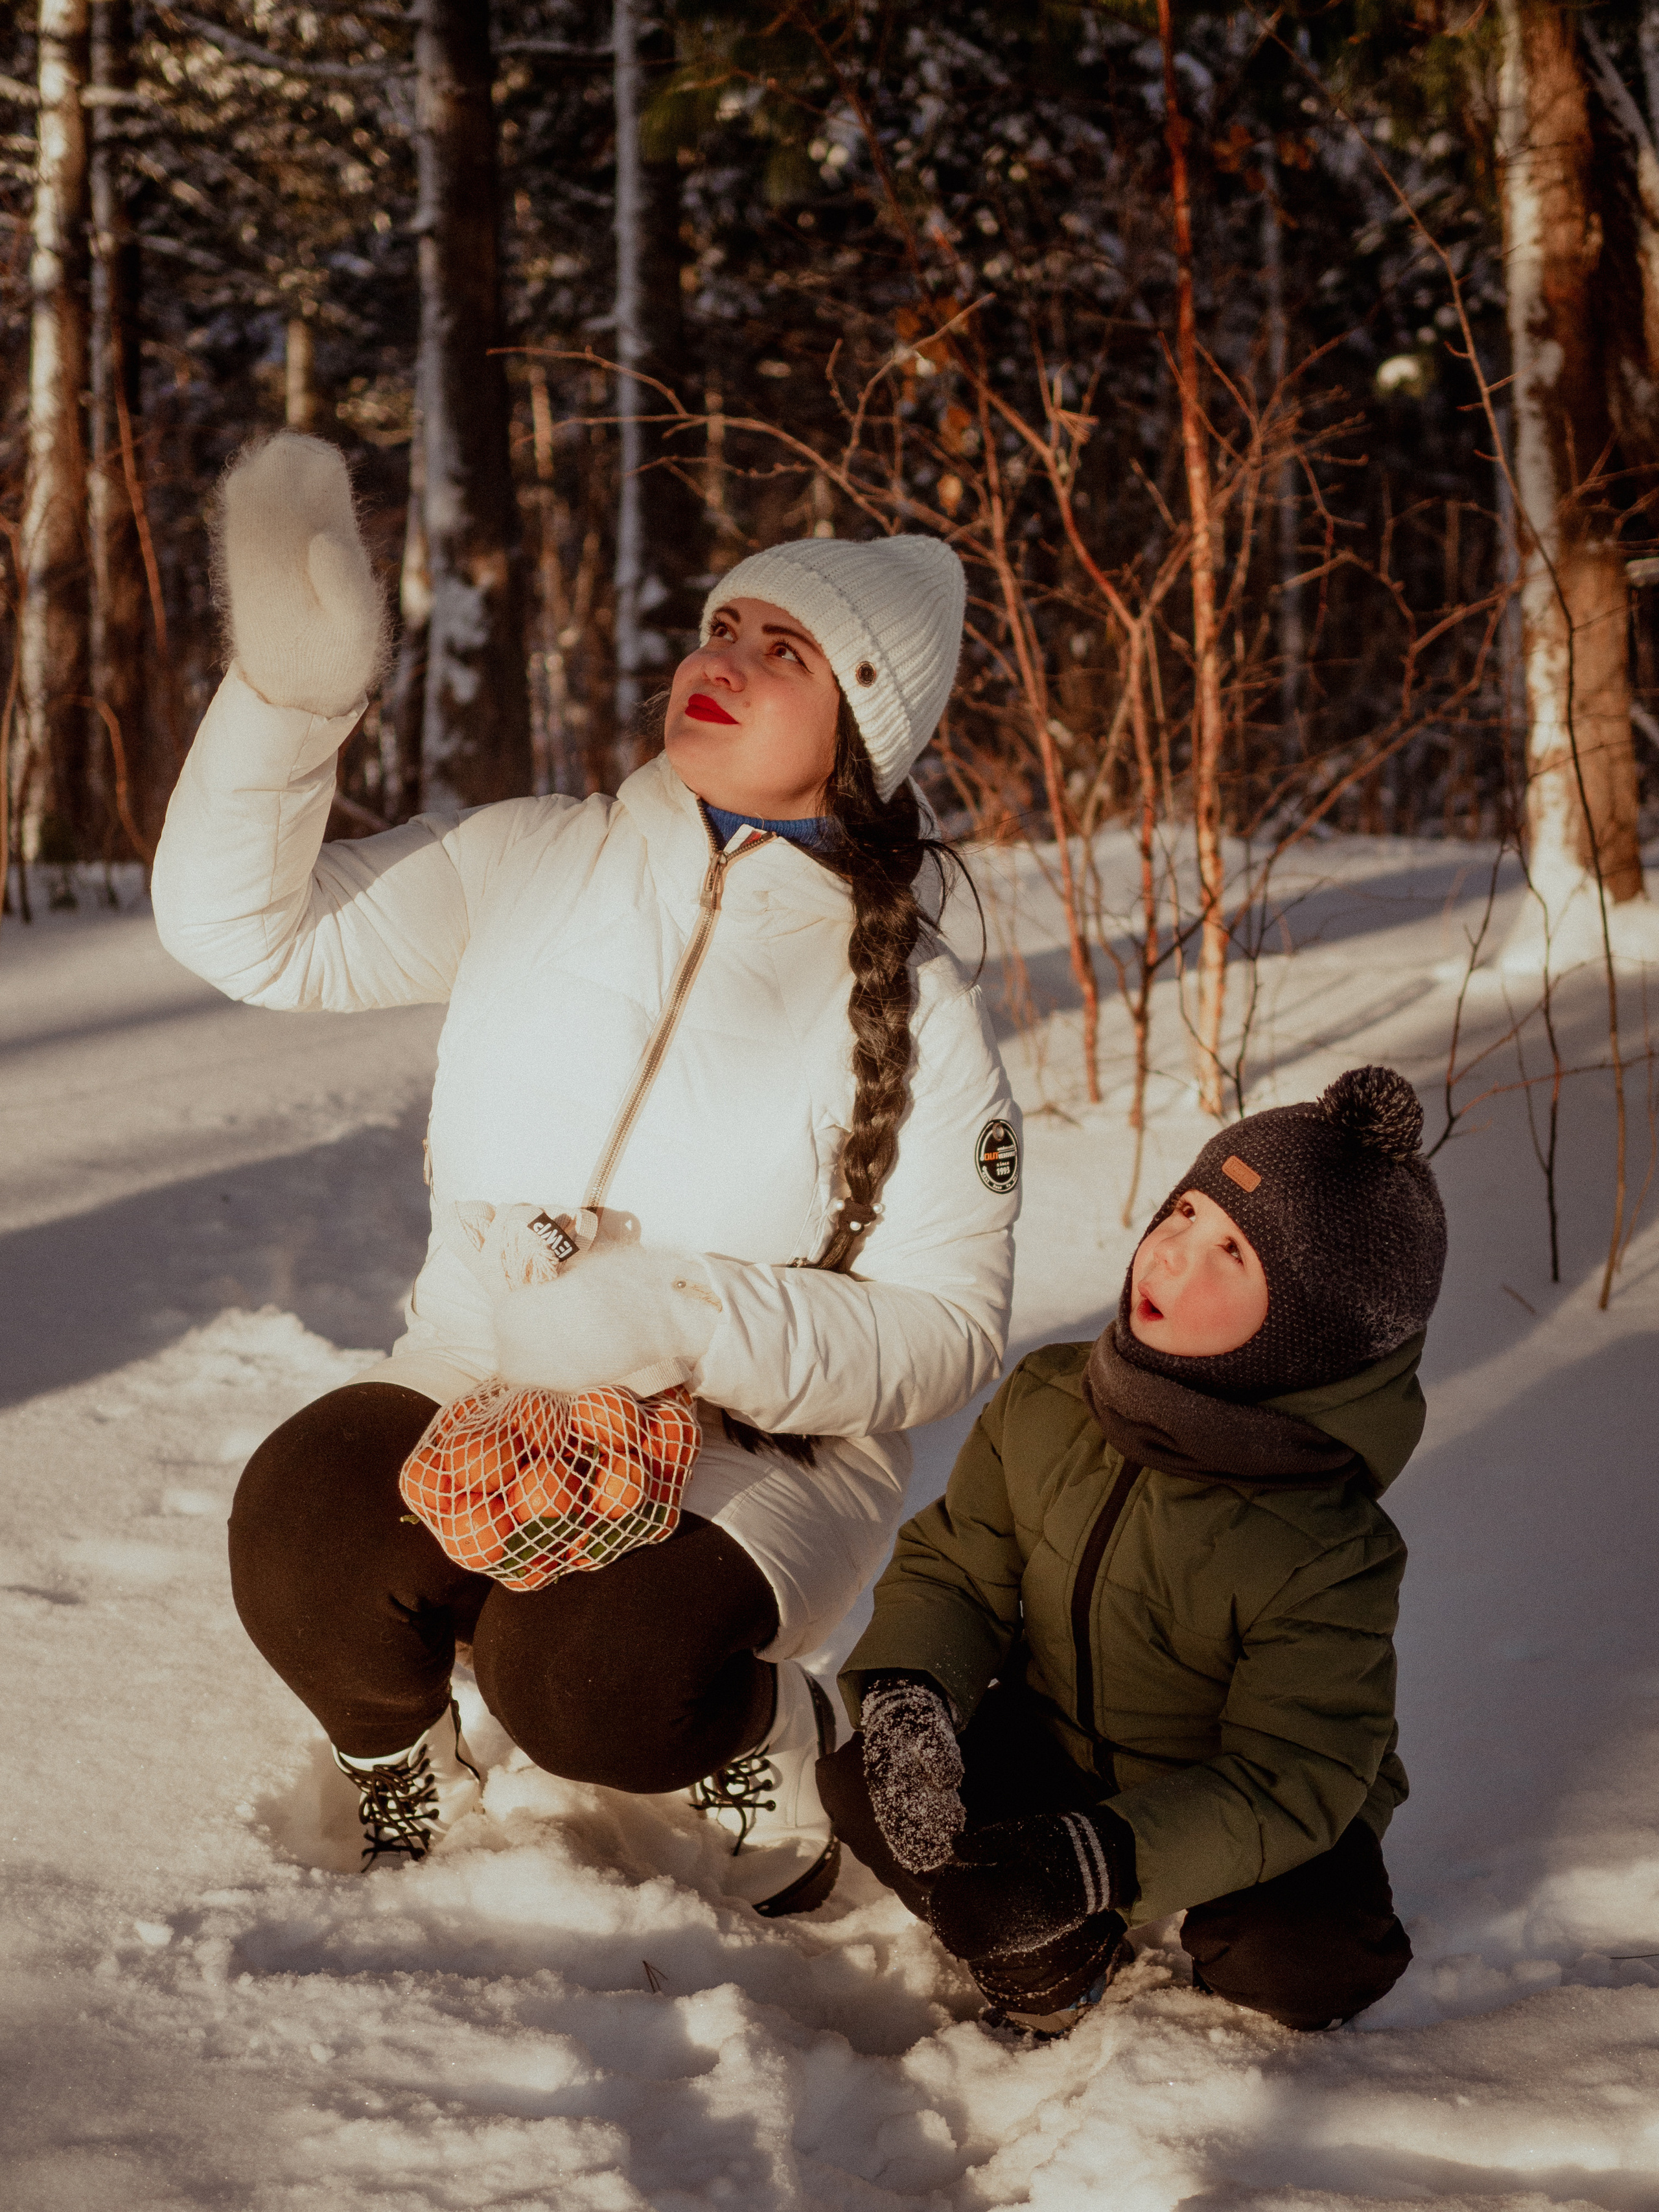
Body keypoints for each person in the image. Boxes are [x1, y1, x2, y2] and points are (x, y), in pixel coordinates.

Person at [150, 433, 1020, 1915]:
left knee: (593, 1679)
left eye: (784, 650)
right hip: (478, 1376)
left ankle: (777, 1740)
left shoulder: (920, 1002)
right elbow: (252, 937)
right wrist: (290, 705)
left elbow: (947, 1332)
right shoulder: (534, 857)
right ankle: (401, 1751)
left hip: (753, 1449)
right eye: (722, 627)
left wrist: (675, 1317)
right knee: (299, 1518)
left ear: (865, 727)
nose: (724, 659)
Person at [821, 1065, 1446, 2032]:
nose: (1172, 1256)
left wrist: (1102, 1858)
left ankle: (1227, 1923)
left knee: (1299, 1959)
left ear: (1305, 1334)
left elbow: (1292, 1774)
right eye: (1185, 1211)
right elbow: (958, 1569)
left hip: (1242, 1792)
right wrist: (914, 1692)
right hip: (1062, 1739)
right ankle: (1057, 1957)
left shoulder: (1328, 1544)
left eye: (1232, 1253)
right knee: (868, 1774)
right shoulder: (1050, 1401)